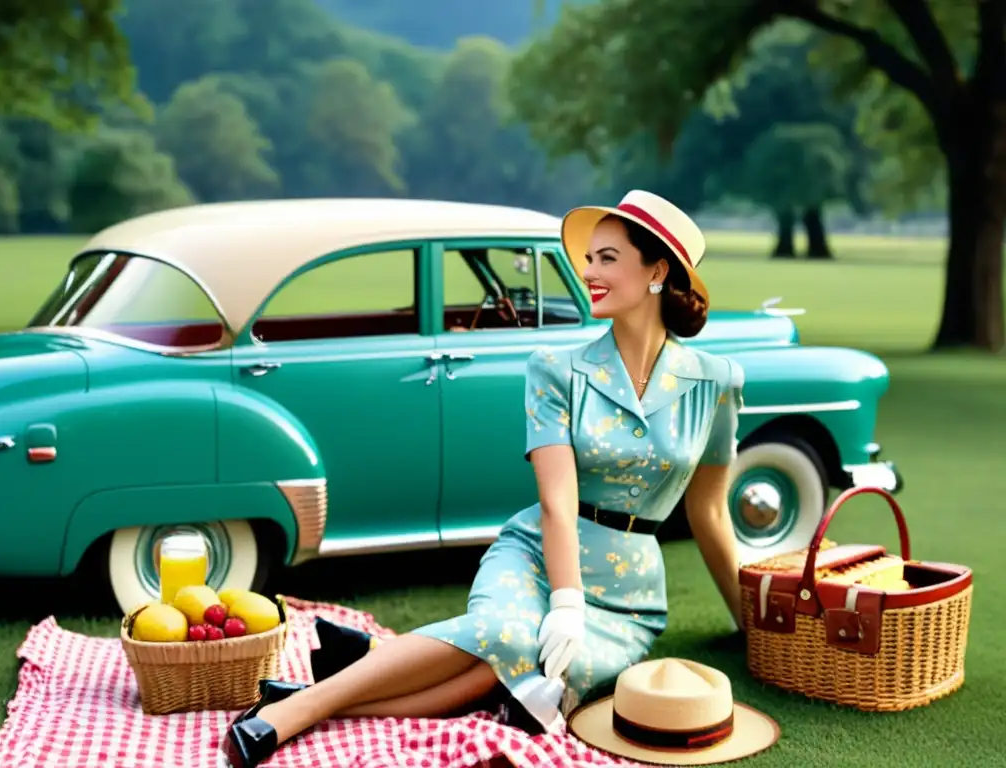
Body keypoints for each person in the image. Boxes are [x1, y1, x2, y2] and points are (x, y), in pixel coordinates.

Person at [220, 190, 747, 768]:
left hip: (629, 597)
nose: (588, 272)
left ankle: (326, 689)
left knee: (520, 684)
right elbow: (556, 499)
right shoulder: (557, 368)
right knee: (509, 638)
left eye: (607, 259)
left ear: (657, 271)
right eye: (589, 258)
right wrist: (566, 602)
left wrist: (749, 626)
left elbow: (711, 511)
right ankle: (291, 714)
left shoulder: (716, 383)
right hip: (540, 554)